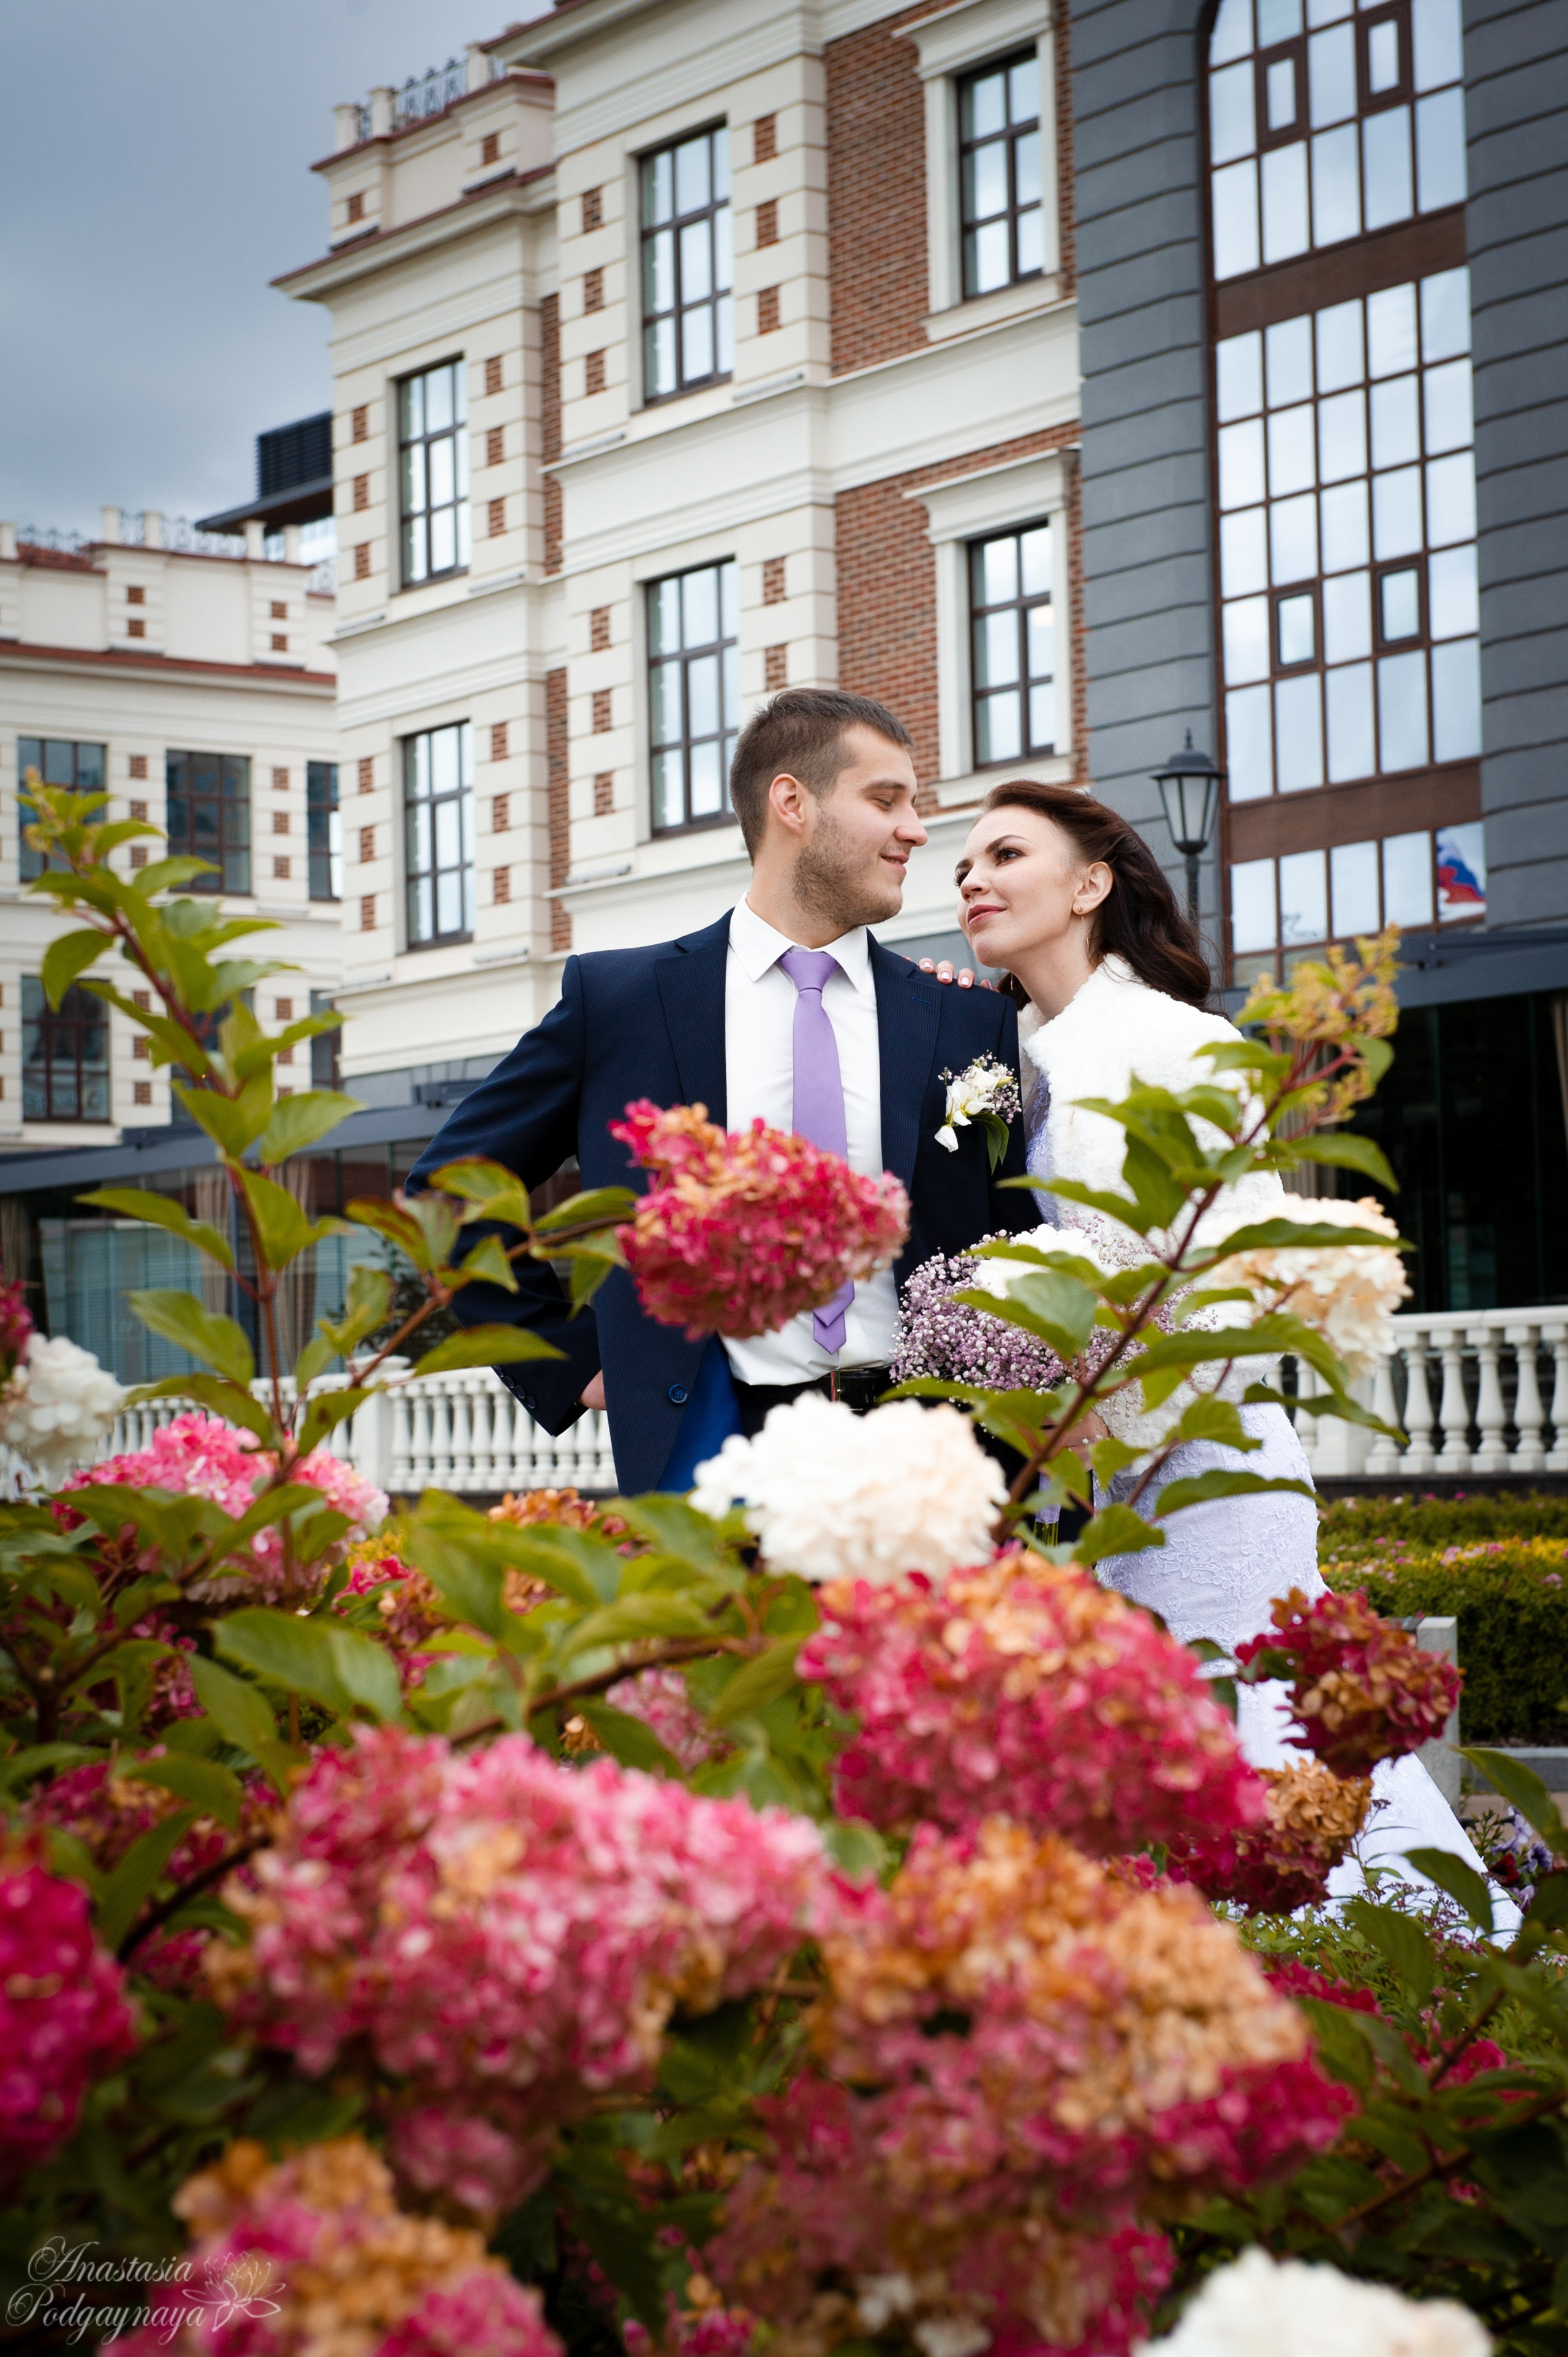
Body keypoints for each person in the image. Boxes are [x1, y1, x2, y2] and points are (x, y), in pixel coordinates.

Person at [944, 776, 1501, 1905]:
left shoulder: (1180, 1037)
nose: (971, 879)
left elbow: (1238, 1277)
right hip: (1073, 1479)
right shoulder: (990, 1056)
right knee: (1135, 1768)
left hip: (1204, 1464)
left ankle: (1419, 1978)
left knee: (1268, 1743)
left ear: (1091, 884)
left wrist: (1113, 1420)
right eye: (963, 866)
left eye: (1004, 855)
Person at [407, 689, 1038, 1496]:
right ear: (792, 803)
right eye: (886, 800)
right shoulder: (622, 1002)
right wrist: (572, 1361)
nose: (916, 829)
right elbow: (447, 1191)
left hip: (936, 1462)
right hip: (715, 1452)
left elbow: (1014, 1244)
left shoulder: (964, 1019)